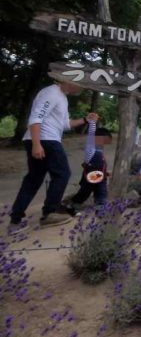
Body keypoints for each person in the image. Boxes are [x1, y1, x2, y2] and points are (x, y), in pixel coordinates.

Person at [9, 80, 89, 231]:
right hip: (46, 140)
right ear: (67, 81)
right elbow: (35, 118)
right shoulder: (51, 92)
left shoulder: (62, 97)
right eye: (80, 84)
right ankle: (50, 212)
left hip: (44, 139)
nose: (81, 88)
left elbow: (65, 124)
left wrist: (85, 120)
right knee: (62, 174)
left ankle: (16, 219)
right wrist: (36, 144)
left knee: (34, 179)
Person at [63, 114, 111, 213]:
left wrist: (106, 170)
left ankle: (100, 209)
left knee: (101, 192)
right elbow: (91, 133)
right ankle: (73, 205)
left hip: (101, 175)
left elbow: (103, 160)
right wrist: (93, 121)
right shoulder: (91, 147)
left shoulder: (100, 149)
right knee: (85, 192)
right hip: (90, 176)